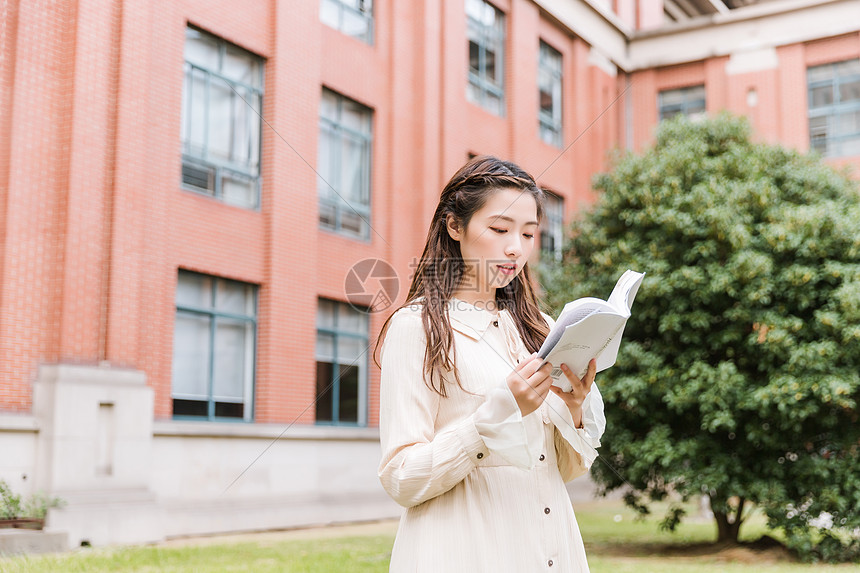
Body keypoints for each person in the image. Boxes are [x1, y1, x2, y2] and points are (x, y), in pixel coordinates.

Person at [374, 155, 605, 572]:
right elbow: (402, 478)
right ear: (455, 226)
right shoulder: (418, 328)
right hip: (467, 552)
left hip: (553, 552)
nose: (515, 247)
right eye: (499, 229)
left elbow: (563, 470)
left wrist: (574, 407)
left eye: (529, 233)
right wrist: (497, 416)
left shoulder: (541, 330)